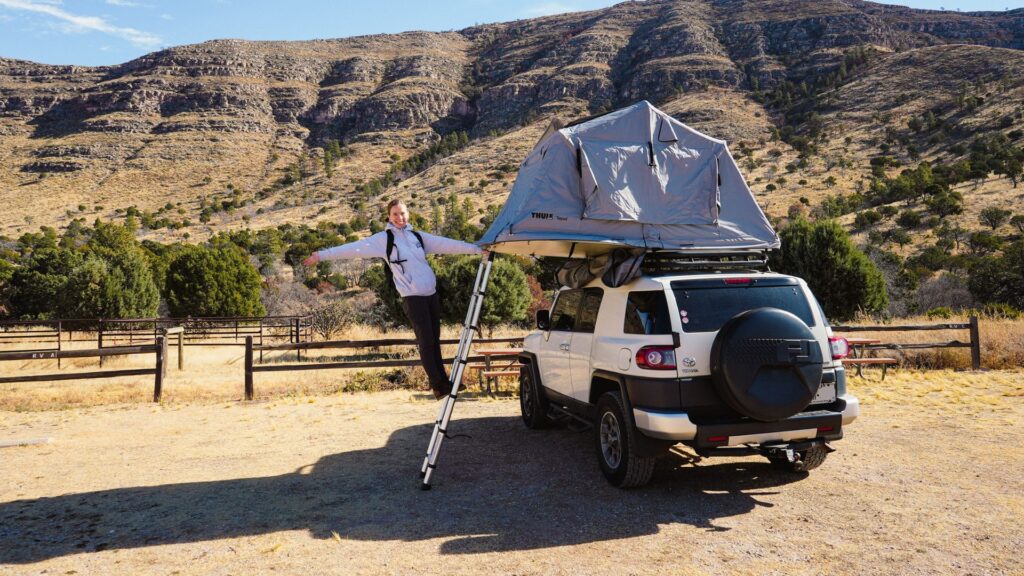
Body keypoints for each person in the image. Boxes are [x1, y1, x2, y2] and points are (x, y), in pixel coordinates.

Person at [303, 199, 484, 399]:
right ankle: (438, 386)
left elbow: (447, 244)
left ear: (408, 214)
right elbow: (354, 248)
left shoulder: (417, 237)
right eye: (396, 214)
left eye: (403, 213)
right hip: (412, 297)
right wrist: (321, 255)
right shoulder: (384, 239)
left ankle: (446, 382)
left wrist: (477, 249)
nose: (400, 218)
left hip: (430, 294)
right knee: (426, 341)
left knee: (434, 340)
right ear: (389, 217)